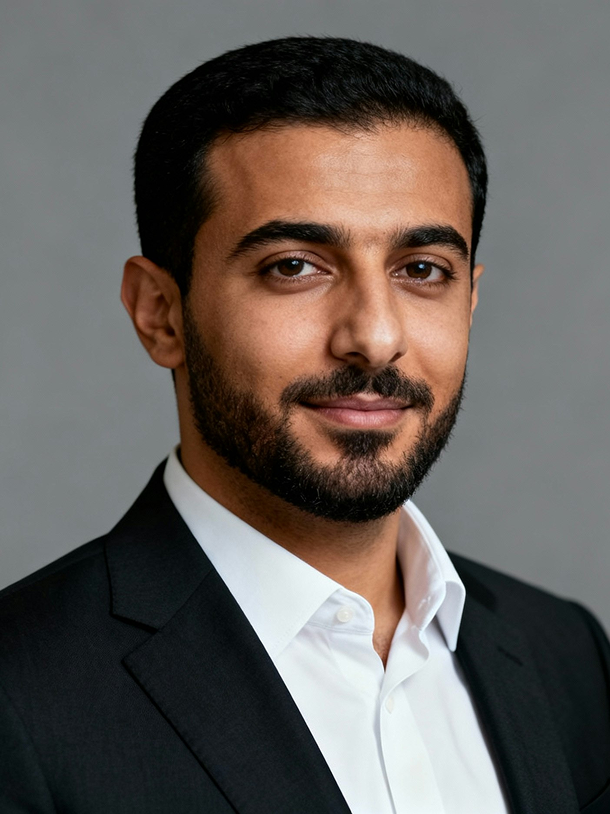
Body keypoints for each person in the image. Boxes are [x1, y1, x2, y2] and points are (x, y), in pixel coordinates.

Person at [0, 36, 608, 814]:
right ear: (160, 314)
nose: (375, 335)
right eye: (294, 266)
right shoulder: (20, 695)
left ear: (471, 297)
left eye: (422, 270)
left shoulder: (565, 654)